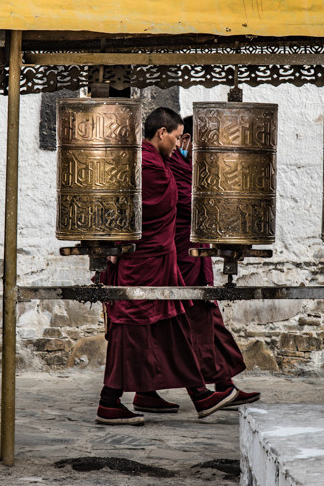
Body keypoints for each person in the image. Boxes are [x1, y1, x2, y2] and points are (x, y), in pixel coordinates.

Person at [96, 107, 238, 425]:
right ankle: (109, 400)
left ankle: (199, 394)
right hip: (142, 263)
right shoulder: (148, 166)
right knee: (130, 332)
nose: (178, 145)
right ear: (162, 133)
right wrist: (115, 250)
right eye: (175, 138)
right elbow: (129, 210)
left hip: (160, 261)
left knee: (173, 327)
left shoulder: (157, 162)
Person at [165, 115, 260, 409]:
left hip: (195, 253)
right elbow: (189, 205)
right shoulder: (174, 169)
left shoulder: (190, 169)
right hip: (182, 257)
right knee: (195, 321)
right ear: (186, 141)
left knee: (207, 318)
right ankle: (216, 387)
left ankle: (224, 383)